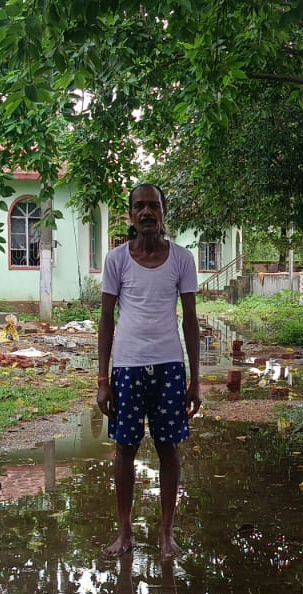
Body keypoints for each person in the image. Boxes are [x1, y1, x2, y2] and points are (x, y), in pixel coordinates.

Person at [97, 183, 203, 560]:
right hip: (126, 368)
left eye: (153, 206)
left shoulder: (182, 260)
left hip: (170, 367)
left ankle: (166, 534)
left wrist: (196, 379)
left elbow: (190, 319)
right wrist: (102, 380)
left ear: (163, 212)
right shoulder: (117, 260)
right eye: (139, 207)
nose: (146, 213)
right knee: (125, 449)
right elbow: (106, 319)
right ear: (130, 215)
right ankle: (124, 533)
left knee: (167, 449)